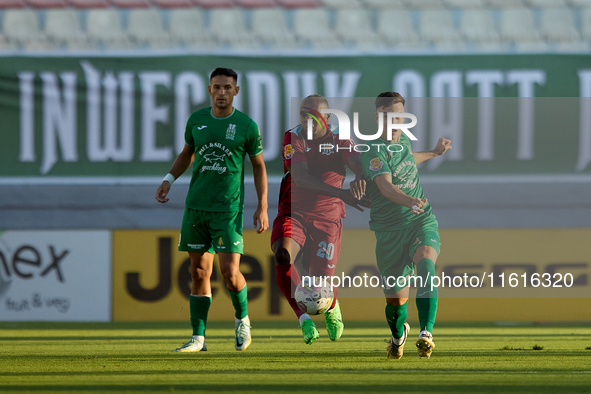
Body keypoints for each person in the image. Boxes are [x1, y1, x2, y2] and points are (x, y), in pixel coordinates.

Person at [156, 67, 268, 353]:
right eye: (216, 87)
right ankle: (198, 338)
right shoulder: (197, 120)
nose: (221, 92)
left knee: (230, 272)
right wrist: (168, 180)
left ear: (236, 91)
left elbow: (258, 166)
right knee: (197, 272)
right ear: (209, 90)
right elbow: (186, 154)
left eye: (227, 88)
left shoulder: (246, 126)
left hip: (227, 209)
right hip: (196, 207)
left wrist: (263, 205)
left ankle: (242, 319)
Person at [271, 94, 369, 345]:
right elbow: (301, 177)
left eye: (313, 115)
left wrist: (360, 177)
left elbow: (357, 163)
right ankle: (302, 317)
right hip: (294, 212)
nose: (307, 119)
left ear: (326, 117)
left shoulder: (339, 137)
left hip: (328, 218)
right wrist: (343, 193)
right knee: (283, 255)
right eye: (303, 114)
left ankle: (332, 306)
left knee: (319, 281)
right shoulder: (293, 137)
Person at [361, 92, 451, 359]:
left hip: (420, 220)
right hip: (389, 231)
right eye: (390, 117)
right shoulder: (373, 149)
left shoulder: (401, 146)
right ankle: (398, 335)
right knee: (396, 304)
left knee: (426, 260)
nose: (396, 122)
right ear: (378, 118)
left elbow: (409, 158)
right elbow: (385, 186)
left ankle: (426, 333)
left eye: (400, 117)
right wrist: (409, 199)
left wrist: (434, 153)